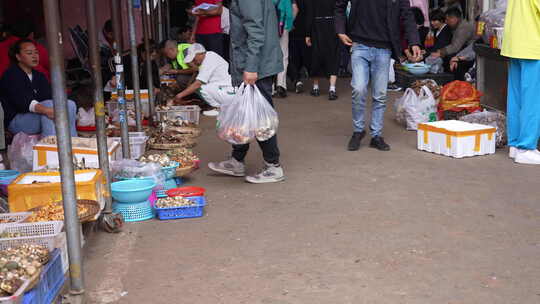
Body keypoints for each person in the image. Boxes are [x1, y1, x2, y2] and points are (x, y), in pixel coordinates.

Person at [208, 0, 285, 184]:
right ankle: (237, 160)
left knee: (260, 118)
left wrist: (251, 67)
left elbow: (255, 31)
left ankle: (273, 166)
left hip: (256, 65)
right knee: (245, 112)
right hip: (256, 63)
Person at [336, 0, 421, 152]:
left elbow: (407, 15)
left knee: (380, 94)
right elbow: (339, 6)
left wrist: (414, 41)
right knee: (358, 88)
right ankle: (358, 130)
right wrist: (340, 30)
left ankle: (376, 135)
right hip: (359, 44)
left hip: (384, 48)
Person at [0, 39, 77, 137]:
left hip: (36, 114)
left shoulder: (39, 76)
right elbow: (22, 102)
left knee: (70, 105)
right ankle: (50, 148)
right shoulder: (11, 74)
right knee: (49, 107)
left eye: (36, 52)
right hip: (17, 120)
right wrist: (47, 110)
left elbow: (48, 96)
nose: (34, 56)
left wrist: (53, 108)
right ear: (18, 57)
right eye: (29, 53)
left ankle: (72, 144)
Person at [502, 0, 540, 165]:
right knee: (532, 99)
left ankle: (516, 145)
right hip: (533, 46)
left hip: (515, 45)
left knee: (516, 98)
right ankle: (526, 147)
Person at [173, 43, 233, 116]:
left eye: (194, 59)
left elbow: (198, 83)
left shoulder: (209, 59)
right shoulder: (208, 57)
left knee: (200, 88)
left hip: (227, 91)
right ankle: (219, 107)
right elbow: (198, 76)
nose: (193, 62)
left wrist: (179, 95)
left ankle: (218, 108)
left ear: (199, 54)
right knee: (198, 87)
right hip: (223, 89)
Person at [305, 0, 340, 100]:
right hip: (333, 25)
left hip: (317, 26)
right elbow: (340, 10)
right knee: (334, 56)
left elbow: (310, 13)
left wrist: (307, 33)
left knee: (316, 55)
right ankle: (332, 89)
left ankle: (316, 87)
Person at [274, 0, 296, 99]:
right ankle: (280, 85)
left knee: (270, 56)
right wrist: (289, 25)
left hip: (269, 27)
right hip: (283, 27)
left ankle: (270, 87)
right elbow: (292, 12)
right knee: (283, 56)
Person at [287, 0, 310, 94]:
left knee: (289, 57)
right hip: (304, 30)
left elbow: (295, 9)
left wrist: (289, 24)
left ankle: (296, 79)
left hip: (292, 30)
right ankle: (298, 77)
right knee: (300, 56)